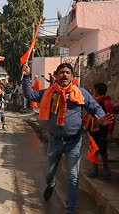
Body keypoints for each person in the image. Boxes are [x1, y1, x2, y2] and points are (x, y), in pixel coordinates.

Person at [21, 63, 113, 214]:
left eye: (67, 72)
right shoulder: (49, 93)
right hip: (55, 141)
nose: (64, 75)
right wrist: (26, 76)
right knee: (50, 173)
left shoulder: (81, 93)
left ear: (72, 76)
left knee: (73, 177)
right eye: (61, 72)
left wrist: (101, 118)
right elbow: (30, 95)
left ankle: (70, 210)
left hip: (74, 143)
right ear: (56, 76)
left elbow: (95, 107)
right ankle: (50, 185)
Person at [84, 83, 114, 179]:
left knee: (103, 151)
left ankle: (106, 168)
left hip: (103, 131)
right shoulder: (94, 102)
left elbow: (110, 118)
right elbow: (90, 116)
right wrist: (87, 127)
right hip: (94, 131)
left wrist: (109, 133)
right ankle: (95, 170)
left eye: (94, 89)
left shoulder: (106, 103)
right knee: (93, 150)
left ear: (96, 90)